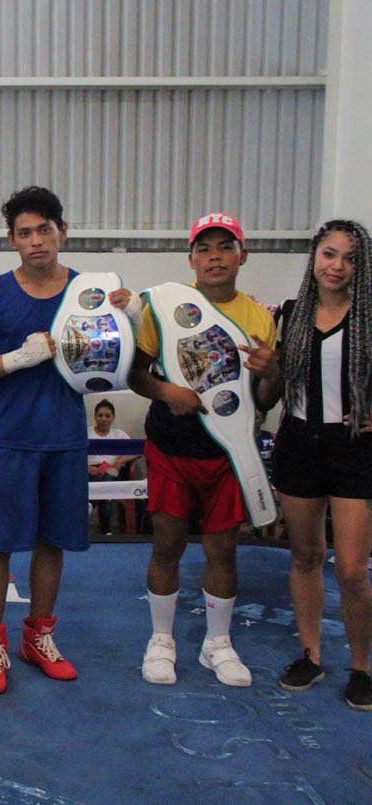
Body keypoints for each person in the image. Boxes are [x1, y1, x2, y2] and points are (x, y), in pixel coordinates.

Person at [0, 186, 124, 694]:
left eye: (44, 230)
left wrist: (131, 320)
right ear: (12, 240)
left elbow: (122, 364)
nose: (36, 241)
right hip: (10, 439)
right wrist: (15, 359)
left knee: (52, 542)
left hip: (65, 439)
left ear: (62, 232)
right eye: (25, 233)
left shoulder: (90, 294)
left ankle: (38, 637)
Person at [128, 211, 280, 688]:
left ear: (242, 256)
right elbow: (135, 374)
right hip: (171, 446)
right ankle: (161, 639)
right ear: (191, 258)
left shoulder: (259, 317)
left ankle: (218, 643)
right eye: (205, 249)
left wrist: (272, 372)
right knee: (167, 544)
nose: (215, 257)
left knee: (223, 550)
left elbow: (264, 400)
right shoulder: (165, 307)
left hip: (228, 454)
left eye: (225, 247)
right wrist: (166, 392)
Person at [263, 220, 372, 710]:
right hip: (299, 443)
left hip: (354, 449)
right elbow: (268, 395)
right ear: (314, 258)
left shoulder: (369, 317)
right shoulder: (289, 316)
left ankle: (361, 667)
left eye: (350, 258)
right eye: (330, 254)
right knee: (305, 555)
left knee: (351, 569)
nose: (338, 266)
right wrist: (268, 371)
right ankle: (310, 654)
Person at [86, 400, 134, 535]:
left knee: (108, 474)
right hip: (88, 471)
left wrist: (119, 460)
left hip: (111, 468)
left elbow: (137, 451)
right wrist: (86, 467)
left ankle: (90, 504)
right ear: (95, 417)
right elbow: (74, 454)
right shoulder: (85, 433)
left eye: (107, 416)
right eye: (100, 415)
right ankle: (106, 532)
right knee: (106, 493)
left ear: (113, 417)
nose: (103, 419)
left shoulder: (118, 434)